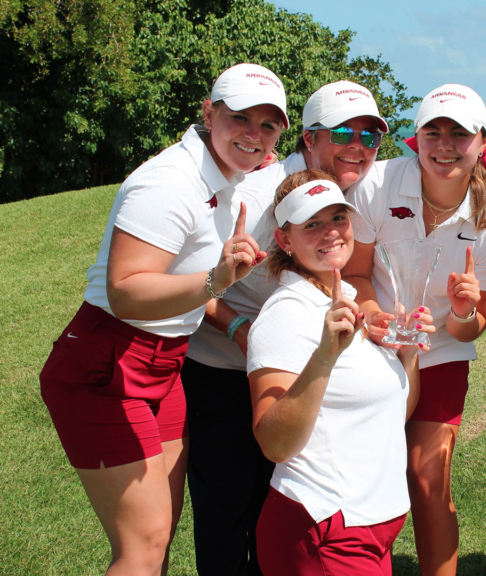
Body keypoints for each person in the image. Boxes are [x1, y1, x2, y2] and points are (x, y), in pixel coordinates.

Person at [38, 63, 288, 575]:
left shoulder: (224, 173)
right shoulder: (169, 182)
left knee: (160, 533)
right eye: (240, 117)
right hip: (106, 364)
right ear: (208, 111)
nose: (254, 135)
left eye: (268, 125)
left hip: (165, 364)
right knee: (143, 547)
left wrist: (257, 158)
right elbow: (126, 291)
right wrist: (218, 280)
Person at [179, 79, 389, 576]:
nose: (356, 146)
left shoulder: (354, 195)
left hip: (300, 370)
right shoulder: (256, 196)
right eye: (341, 132)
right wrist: (240, 329)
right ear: (309, 139)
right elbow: (191, 280)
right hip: (225, 368)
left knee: (284, 504)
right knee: (229, 512)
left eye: (370, 135)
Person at [342, 84, 486, 576]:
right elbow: (355, 273)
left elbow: (472, 329)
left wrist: (463, 311)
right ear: (415, 138)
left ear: (484, 141)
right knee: (365, 471)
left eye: (459, 134)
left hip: (439, 353)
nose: (444, 145)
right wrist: (376, 317)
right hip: (370, 346)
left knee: (427, 478)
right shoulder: (376, 185)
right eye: (432, 131)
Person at [247, 172, 421, 575]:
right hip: (324, 526)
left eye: (339, 218)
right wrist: (324, 356)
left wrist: (407, 355)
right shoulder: (287, 312)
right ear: (285, 240)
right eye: (312, 224)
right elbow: (273, 443)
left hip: (371, 526)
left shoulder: (352, 304)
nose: (332, 233)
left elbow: (394, 416)